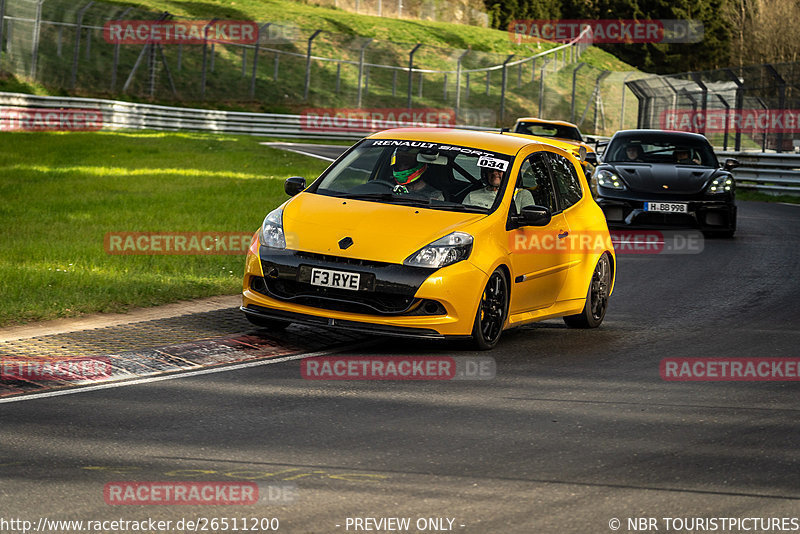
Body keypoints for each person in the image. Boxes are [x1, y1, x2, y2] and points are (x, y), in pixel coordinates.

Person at [464, 167, 534, 211]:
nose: (494, 173)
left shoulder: (522, 195)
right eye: (491, 170)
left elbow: (531, 222)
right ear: (485, 174)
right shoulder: (472, 196)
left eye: (499, 170)